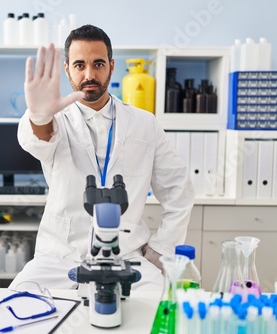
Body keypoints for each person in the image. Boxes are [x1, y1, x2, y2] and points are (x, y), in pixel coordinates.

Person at [11, 25, 194, 290]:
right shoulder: (54, 120)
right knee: (17, 308)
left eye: (98, 64)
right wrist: (39, 116)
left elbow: (179, 190)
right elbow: (37, 142)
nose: (89, 74)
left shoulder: (145, 124)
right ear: (67, 69)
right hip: (60, 257)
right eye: (79, 65)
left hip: (127, 257)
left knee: (158, 315)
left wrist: (161, 249)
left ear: (111, 65)